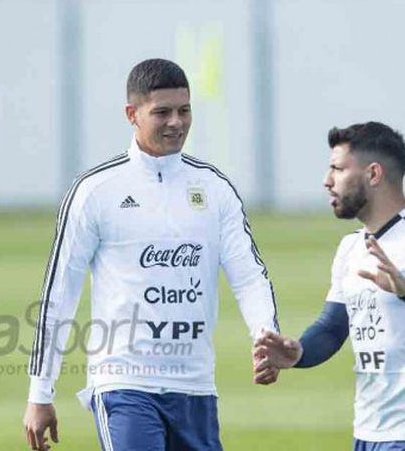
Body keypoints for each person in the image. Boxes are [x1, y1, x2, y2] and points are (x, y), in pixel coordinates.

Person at [22, 59, 280, 451]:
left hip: (196, 385)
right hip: (123, 383)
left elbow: (249, 275)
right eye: (162, 112)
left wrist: (266, 335)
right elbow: (61, 291)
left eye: (184, 110)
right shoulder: (96, 190)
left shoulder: (214, 188)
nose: (176, 122)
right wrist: (40, 393)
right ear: (132, 114)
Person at [253, 122, 405, 450]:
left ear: (374, 174)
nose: (327, 180)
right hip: (369, 432)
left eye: (337, 168)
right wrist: (299, 352)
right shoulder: (351, 248)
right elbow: (333, 327)